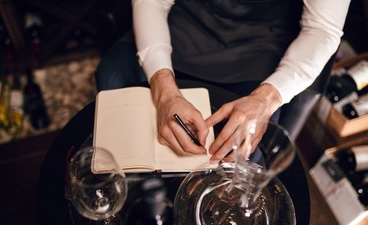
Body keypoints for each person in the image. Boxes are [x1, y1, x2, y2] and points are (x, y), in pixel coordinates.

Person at [95, 0, 351, 161]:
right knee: (114, 78)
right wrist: (164, 90)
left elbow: (321, 30)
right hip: (182, 22)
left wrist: (266, 99)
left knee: (239, 154)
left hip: (259, 47)